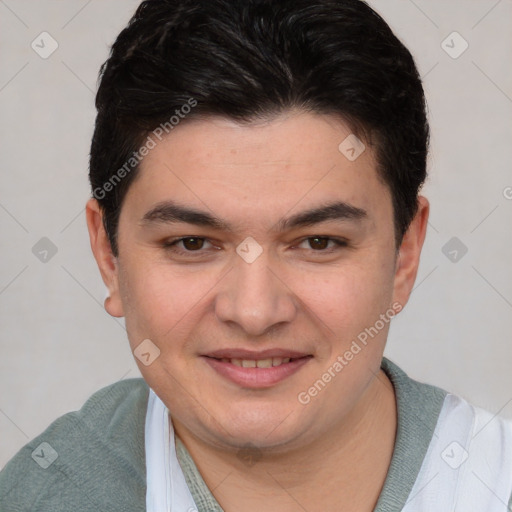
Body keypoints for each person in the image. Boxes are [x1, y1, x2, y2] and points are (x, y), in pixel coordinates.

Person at [1, 0, 511, 510]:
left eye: (318, 242)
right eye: (191, 243)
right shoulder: (40, 494)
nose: (253, 312)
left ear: (405, 254)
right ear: (108, 257)